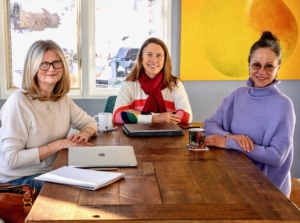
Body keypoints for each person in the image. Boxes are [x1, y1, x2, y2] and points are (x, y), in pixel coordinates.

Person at [203, 31, 296, 197]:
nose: (261, 71)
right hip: (234, 182)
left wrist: (229, 143)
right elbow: (209, 125)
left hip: (267, 193)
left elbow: (277, 157)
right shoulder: (237, 95)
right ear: (248, 65)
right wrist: (231, 137)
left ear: (278, 68)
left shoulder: (283, 105)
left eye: (269, 66)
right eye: (256, 65)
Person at [0, 40, 98, 194]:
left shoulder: (60, 99)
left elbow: (90, 122)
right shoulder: (19, 102)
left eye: (56, 63)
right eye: (43, 64)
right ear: (32, 67)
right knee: (80, 191)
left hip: (51, 171)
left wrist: (84, 134)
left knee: (96, 178)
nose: (51, 69)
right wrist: (59, 144)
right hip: (17, 181)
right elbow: (13, 159)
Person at [113, 37, 192, 124]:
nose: (154, 60)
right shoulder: (129, 85)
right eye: (149, 54)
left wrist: (139, 116)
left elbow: (186, 116)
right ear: (141, 59)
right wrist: (157, 118)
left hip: (168, 136)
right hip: (136, 137)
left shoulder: (175, 84)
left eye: (159, 55)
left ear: (165, 60)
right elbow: (117, 116)